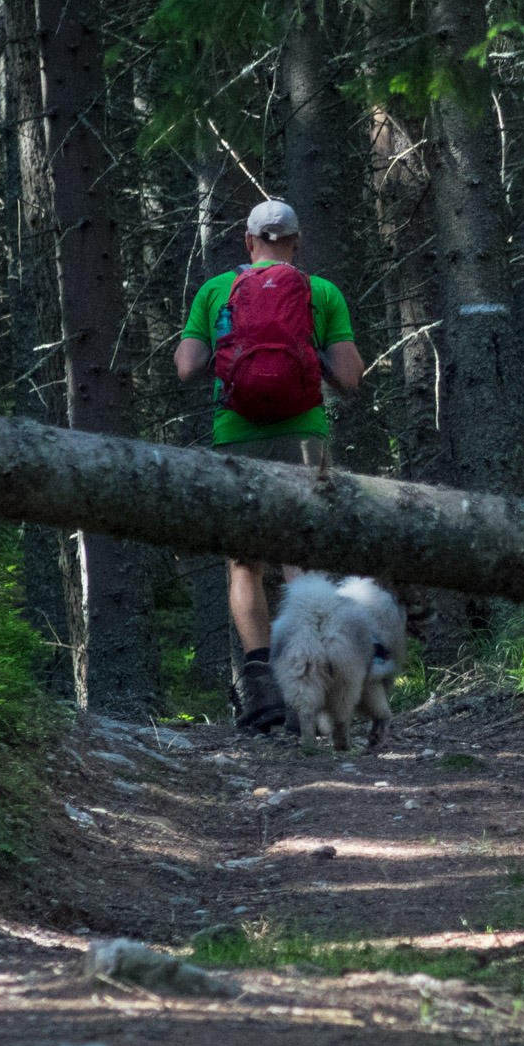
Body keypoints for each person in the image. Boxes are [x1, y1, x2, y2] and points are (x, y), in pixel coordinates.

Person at [174, 200, 363, 732]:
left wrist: (234, 354)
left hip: (236, 437)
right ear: (296, 242)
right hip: (304, 435)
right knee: (298, 557)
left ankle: (262, 694)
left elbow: (187, 366)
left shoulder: (216, 291)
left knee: (244, 563)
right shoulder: (321, 292)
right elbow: (350, 376)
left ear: (248, 239)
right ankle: (310, 686)